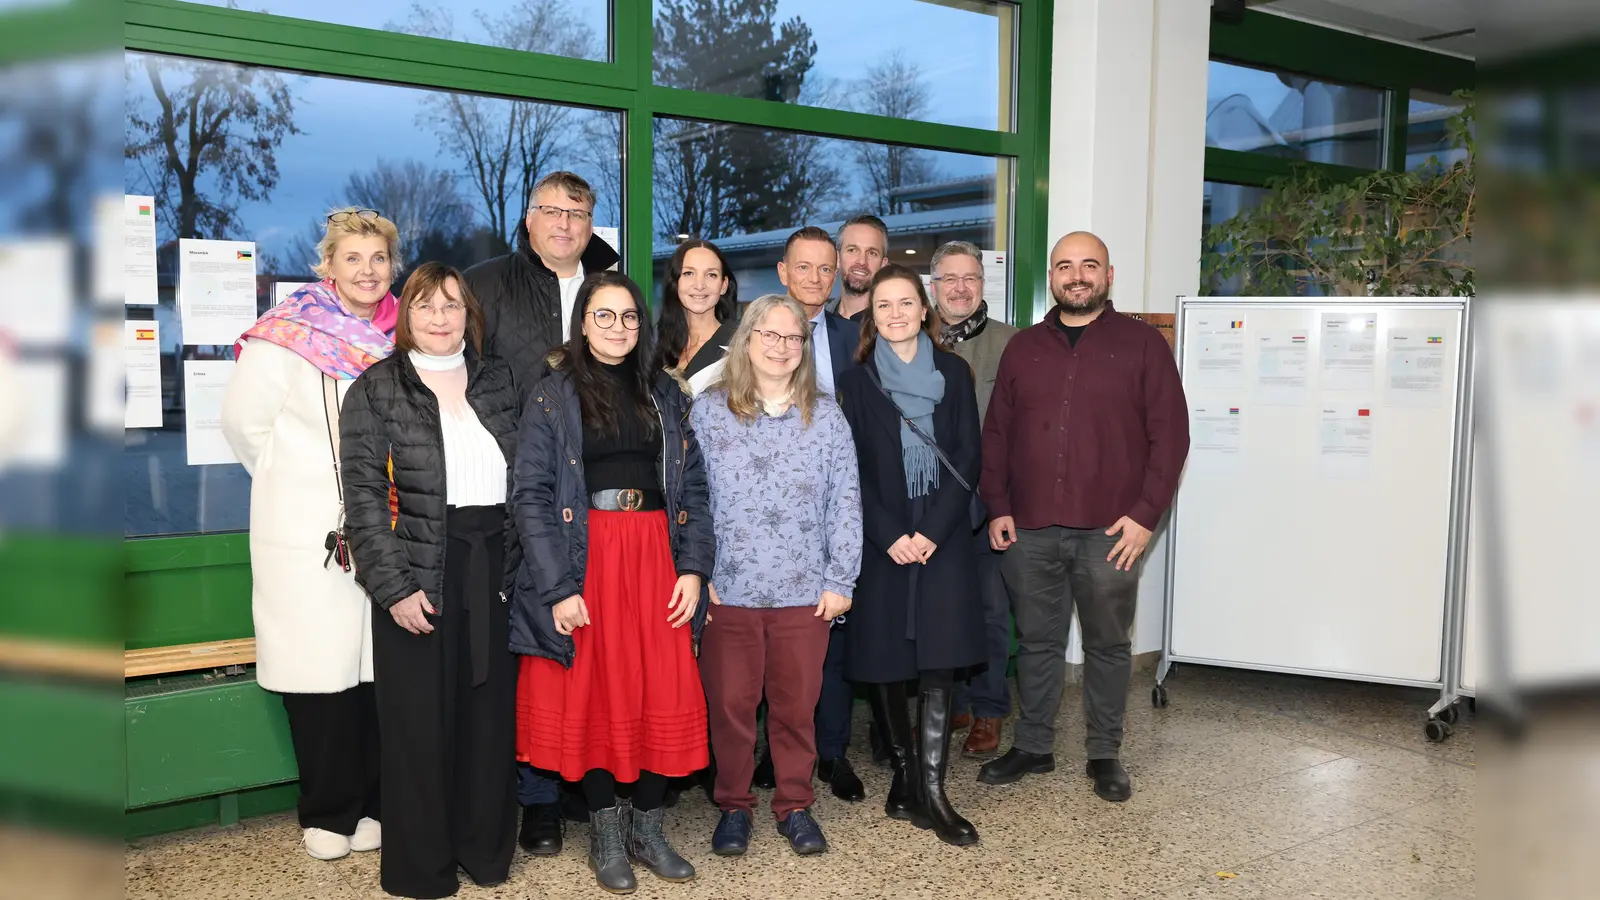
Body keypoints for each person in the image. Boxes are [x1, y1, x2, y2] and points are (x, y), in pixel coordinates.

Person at [511, 271, 714, 893]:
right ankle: (604, 829)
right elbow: (530, 496)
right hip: (585, 556)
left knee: (665, 685)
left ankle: (647, 826)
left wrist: (694, 568)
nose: (619, 328)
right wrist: (558, 587)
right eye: (605, 316)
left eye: (629, 317)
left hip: (657, 555)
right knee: (592, 688)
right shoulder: (552, 395)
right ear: (583, 323)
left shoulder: (666, 394)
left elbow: (698, 488)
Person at [977, 232, 1190, 803]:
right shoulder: (1023, 348)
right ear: (1051, 278)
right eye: (1065, 266)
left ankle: (1104, 753)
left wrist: (1146, 517)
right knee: (1039, 642)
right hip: (1029, 528)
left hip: (1111, 532)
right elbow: (996, 434)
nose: (1077, 275)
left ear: (1108, 275)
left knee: (1108, 645)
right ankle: (1035, 745)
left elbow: (1170, 439)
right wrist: (996, 505)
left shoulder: (1144, 345)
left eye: (1088, 265)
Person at [221, 207, 399, 862]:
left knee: (380, 678)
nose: (367, 270)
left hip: (391, 532)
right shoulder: (284, 337)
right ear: (327, 266)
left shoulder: (407, 336)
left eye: (378, 258)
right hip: (307, 536)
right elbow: (245, 426)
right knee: (319, 680)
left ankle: (378, 803)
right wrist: (296, 486)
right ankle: (327, 811)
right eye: (352, 258)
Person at [339, 263, 521, 898]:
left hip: (495, 570)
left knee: (489, 720)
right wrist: (392, 588)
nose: (440, 318)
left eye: (451, 305)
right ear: (405, 317)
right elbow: (361, 501)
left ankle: (485, 851)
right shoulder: (374, 390)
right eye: (425, 306)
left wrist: (524, 571)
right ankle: (423, 868)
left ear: (469, 314)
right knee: (420, 727)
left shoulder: (500, 380)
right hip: (418, 572)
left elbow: (530, 481)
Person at [464, 170, 618, 853]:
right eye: (551, 210)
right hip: (519, 489)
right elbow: (467, 373)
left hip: (601, 493)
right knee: (535, 640)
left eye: (577, 212)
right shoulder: (488, 284)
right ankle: (538, 797)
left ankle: (588, 779)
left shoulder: (609, 288)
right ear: (528, 220)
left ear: (591, 223)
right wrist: (520, 444)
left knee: (594, 639)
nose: (563, 222)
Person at [691, 294, 862, 857]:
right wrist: (695, 569)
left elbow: (846, 502)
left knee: (794, 710)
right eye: (770, 334)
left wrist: (842, 580)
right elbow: (687, 500)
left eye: (794, 338)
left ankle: (794, 806)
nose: (782, 346)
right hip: (728, 592)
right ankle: (733, 807)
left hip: (804, 594)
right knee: (732, 710)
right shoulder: (709, 412)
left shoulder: (827, 415)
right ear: (746, 339)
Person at [837, 264, 984, 847]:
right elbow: (850, 470)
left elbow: (968, 456)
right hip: (885, 536)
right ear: (871, 318)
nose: (895, 314)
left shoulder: (955, 371)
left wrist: (935, 532)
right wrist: (890, 532)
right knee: (889, 659)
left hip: (941, 535)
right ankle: (904, 774)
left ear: (924, 309)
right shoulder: (855, 383)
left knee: (939, 658)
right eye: (883, 306)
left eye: (905, 303)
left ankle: (933, 789)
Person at [755, 225, 865, 803]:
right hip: (773, 524)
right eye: (805, 267)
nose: (817, 279)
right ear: (783, 271)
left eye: (827, 268)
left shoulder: (856, 335)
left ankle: (834, 751)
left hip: (835, 509)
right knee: (777, 645)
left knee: (833, 642)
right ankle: (776, 751)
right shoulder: (755, 336)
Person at [931, 241, 1019, 758]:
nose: (961, 288)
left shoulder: (1012, 345)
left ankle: (988, 711)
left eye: (971, 278)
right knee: (944, 608)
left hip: (986, 505)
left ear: (983, 284)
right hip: (930, 506)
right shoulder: (913, 338)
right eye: (950, 279)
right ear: (933, 286)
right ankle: (955, 700)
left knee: (989, 610)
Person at [653, 238, 739, 396]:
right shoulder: (658, 348)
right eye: (688, 273)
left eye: (711, 275)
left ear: (724, 285)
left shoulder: (739, 346)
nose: (699, 285)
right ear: (675, 282)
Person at [831, 215, 889, 321]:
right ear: (837, 259)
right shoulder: (815, 325)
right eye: (852, 250)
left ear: (883, 265)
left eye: (872, 253)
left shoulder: (895, 325)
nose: (862, 261)